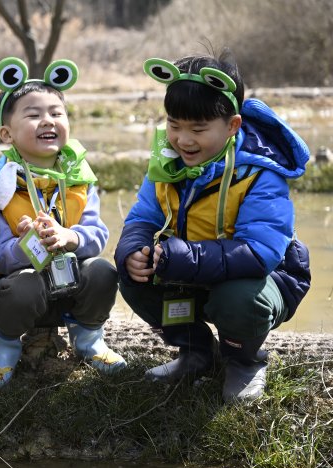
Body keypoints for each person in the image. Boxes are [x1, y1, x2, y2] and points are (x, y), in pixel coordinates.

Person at [114, 53, 311, 403]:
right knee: (135, 277)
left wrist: (186, 256)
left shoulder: (259, 174)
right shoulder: (166, 165)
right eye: (174, 125)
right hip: (189, 269)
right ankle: (197, 352)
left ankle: (243, 360)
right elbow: (143, 217)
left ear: (232, 125)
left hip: (262, 280)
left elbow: (260, 252)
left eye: (198, 129)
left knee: (238, 298)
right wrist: (132, 249)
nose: (183, 140)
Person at [0, 57, 126, 388]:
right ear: (6, 133)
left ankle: (88, 339)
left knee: (102, 271)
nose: (48, 121)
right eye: (33, 115)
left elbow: (97, 233)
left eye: (57, 114)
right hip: (24, 284)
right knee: (23, 285)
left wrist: (69, 237)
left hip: (71, 277)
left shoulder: (79, 177)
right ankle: (5, 347)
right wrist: (27, 243)